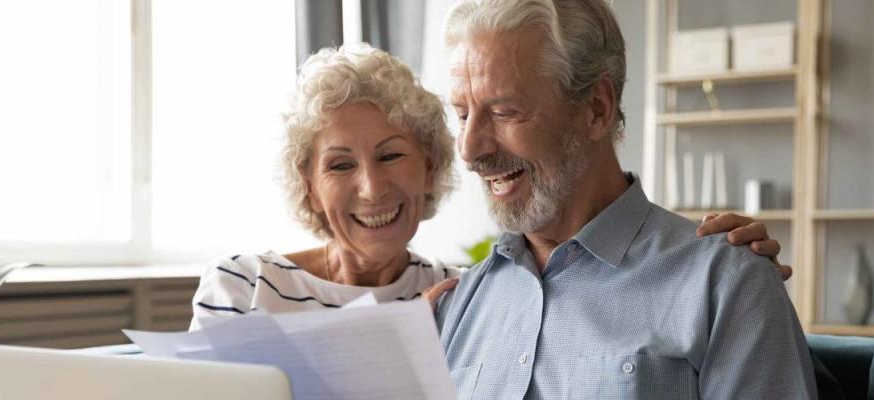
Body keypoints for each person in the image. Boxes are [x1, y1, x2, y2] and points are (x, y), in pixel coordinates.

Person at [188, 43, 786, 335]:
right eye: (340, 165)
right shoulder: (242, 287)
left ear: (429, 169)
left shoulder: (458, 296)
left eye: (392, 155)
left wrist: (705, 259)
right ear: (310, 187)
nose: (372, 187)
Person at [436, 0, 817, 399]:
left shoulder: (725, 281)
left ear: (597, 109)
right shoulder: (458, 303)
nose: (470, 149)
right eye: (463, 115)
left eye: (503, 111)